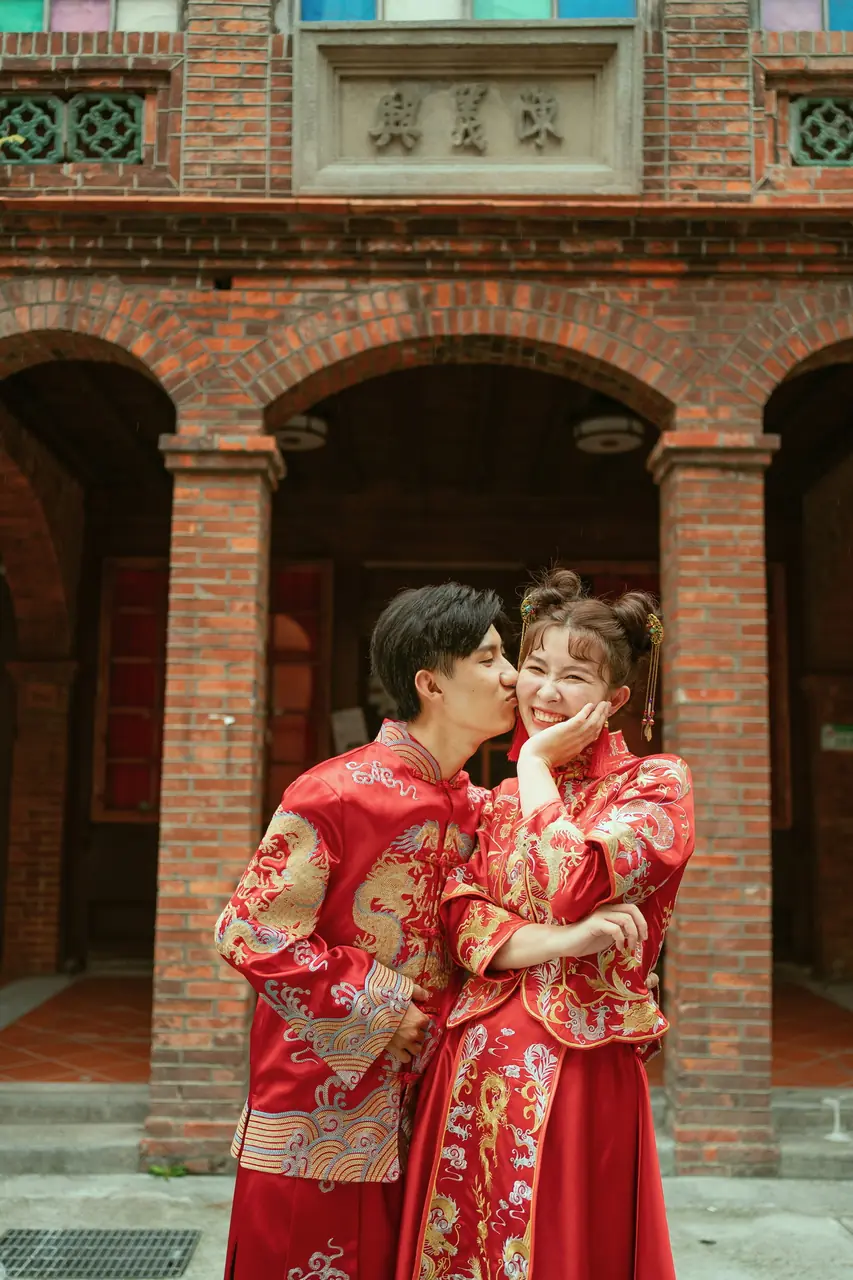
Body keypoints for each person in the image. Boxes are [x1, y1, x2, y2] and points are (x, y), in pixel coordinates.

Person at [397, 569, 695, 1280]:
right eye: (534, 668)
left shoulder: (656, 786)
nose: (545, 692)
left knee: (560, 1247)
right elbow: (460, 917)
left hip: (578, 1069)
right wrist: (565, 942)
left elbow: (574, 884)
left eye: (573, 677)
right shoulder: (497, 800)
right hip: (471, 1060)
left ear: (614, 700)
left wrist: (532, 763)